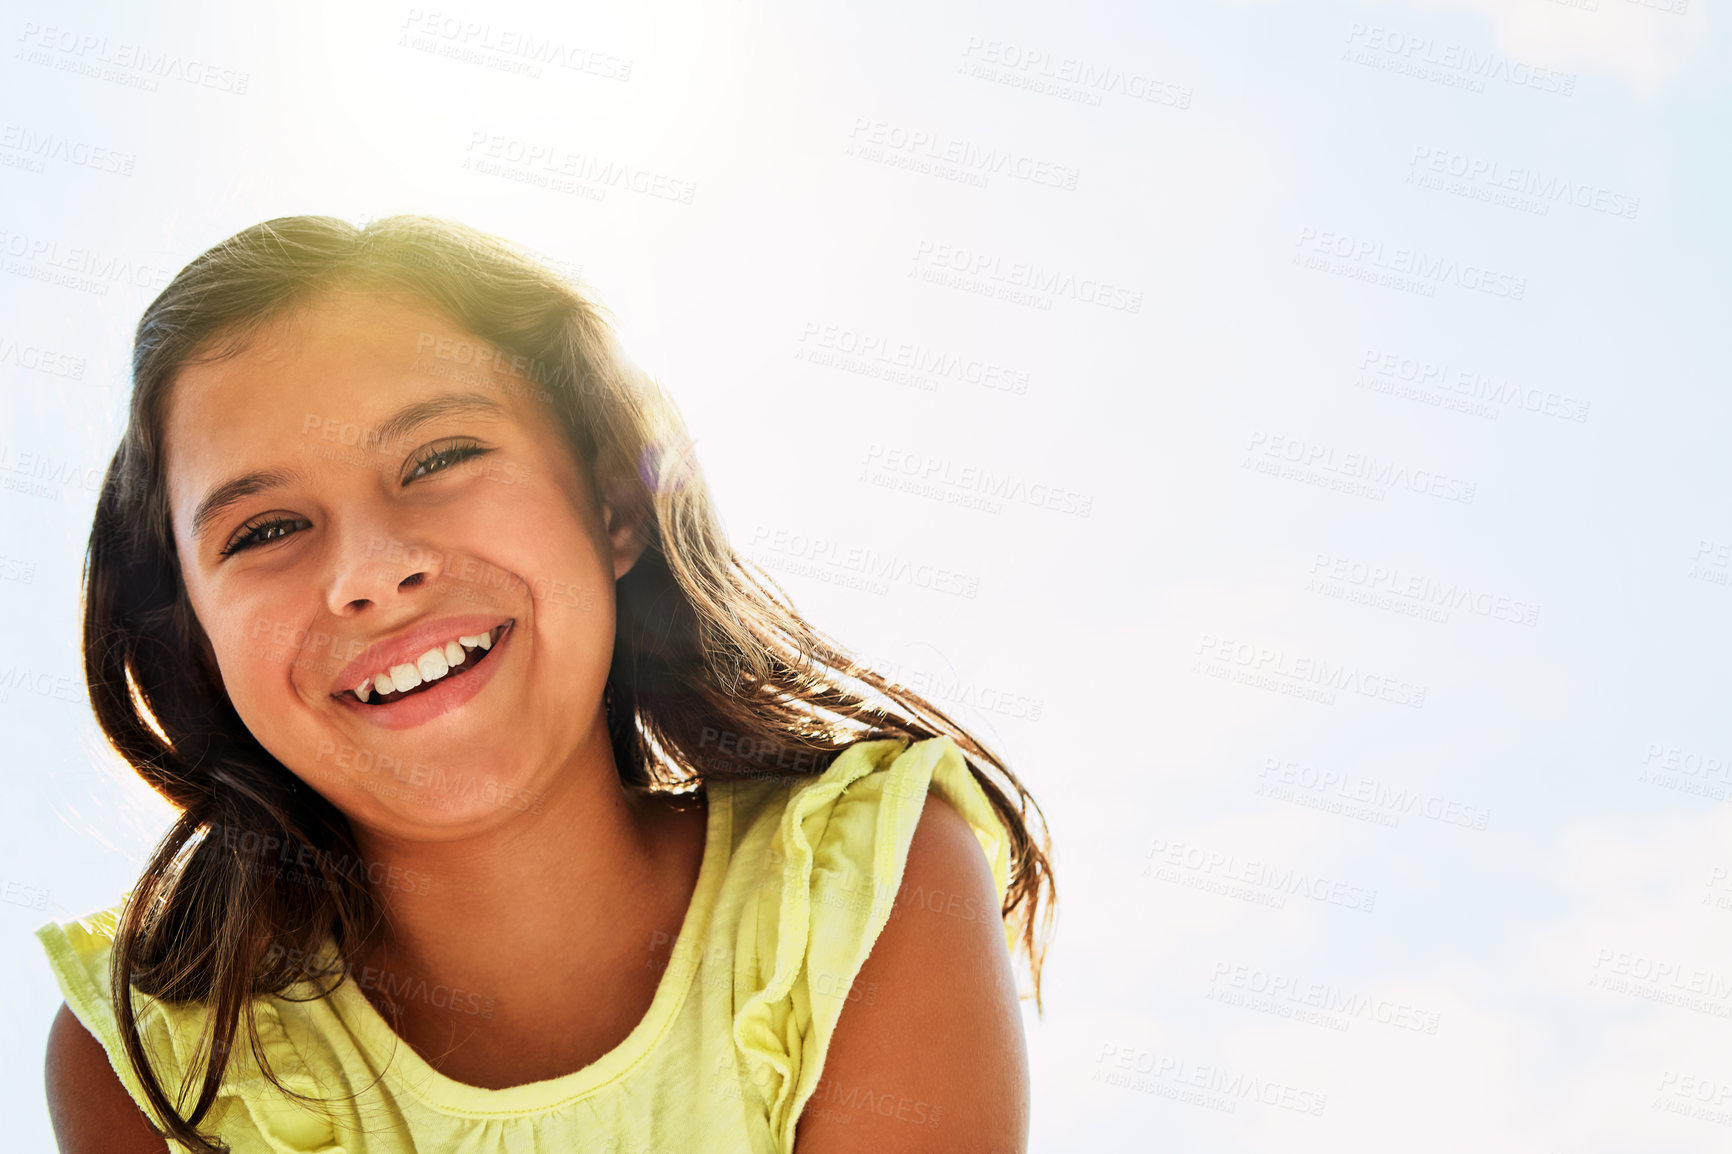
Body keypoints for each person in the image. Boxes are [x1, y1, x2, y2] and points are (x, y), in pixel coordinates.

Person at [36, 216, 1056, 1153]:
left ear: (614, 503)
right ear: (193, 637)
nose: (371, 571)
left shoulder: (861, 886)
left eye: (439, 457)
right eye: (263, 530)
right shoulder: (149, 1065)